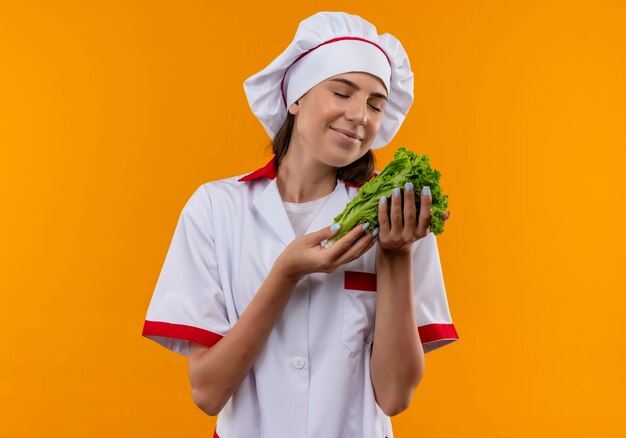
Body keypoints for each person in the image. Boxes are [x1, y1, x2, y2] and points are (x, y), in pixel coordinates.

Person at [142, 11, 459, 438]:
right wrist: (286, 273)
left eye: (375, 104)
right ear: (296, 96)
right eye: (342, 92)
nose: (359, 115)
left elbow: (395, 396)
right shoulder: (216, 209)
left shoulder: (395, 217)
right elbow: (208, 392)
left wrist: (396, 255)